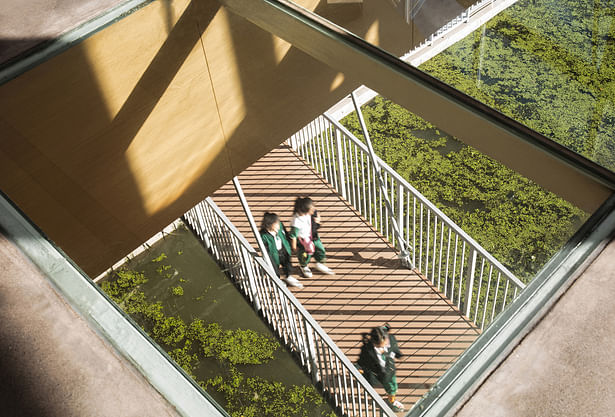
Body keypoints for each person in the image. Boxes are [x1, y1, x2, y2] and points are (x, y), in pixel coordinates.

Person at [356, 324, 404, 412]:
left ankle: (391, 398)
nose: (382, 347)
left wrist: (398, 353)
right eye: (379, 346)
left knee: (393, 385)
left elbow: (394, 347)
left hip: (389, 368)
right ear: (373, 343)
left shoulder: (391, 340)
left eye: (384, 343)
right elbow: (362, 360)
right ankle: (392, 401)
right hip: (379, 372)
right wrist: (359, 367)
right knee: (390, 386)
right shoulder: (368, 350)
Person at [288, 197, 334, 278]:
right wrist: (294, 248)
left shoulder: (310, 212)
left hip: (313, 235)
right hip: (303, 241)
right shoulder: (296, 221)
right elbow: (293, 236)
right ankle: (304, 266)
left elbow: (317, 213)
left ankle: (320, 262)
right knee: (305, 255)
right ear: (305, 211)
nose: (313, 210)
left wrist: (318, 219)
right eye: (311, 209)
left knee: (320, 249)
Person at [260, 212, 304, 288]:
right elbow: (265, 249)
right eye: (276, 223)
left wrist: (290, 244)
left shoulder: (280, 226)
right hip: (273, 254)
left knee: (287, 264)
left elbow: (286, 234)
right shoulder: (263, 235)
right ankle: (276, 280)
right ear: (270, 225)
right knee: (274, 268)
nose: (278, 225)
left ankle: (288, 276)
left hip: (283, 249)